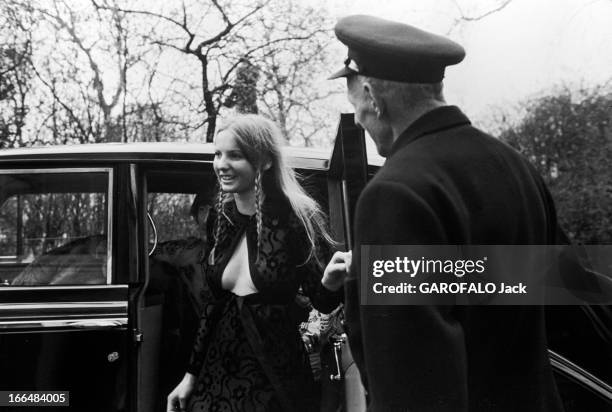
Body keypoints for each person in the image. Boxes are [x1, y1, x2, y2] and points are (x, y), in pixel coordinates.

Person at [325, 15, 565, 411]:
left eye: (357, 108)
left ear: (372, 97)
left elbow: (411, 382)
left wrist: (371, 276)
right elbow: (552, 299)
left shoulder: (393, 192)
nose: (363, 122)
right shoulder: (517, 167)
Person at [167, 114, 342, 412]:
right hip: (217, 374)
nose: (221, 164)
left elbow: (323, 301)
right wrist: (190, 375)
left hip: (275, 376)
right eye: (218, 154)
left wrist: (332, 280)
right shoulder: (219, 219)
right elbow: (213, 305)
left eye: (234, 155)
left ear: (264, 161)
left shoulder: (295, 217)